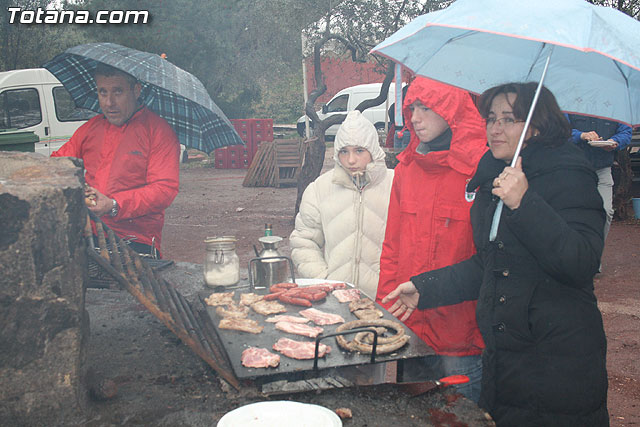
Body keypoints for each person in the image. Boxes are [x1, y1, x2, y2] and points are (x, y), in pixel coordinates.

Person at [383, 82, 608, 425]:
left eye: (508, 119)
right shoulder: (492, 174)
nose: (495, 128)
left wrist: (525, 203)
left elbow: (580, 262)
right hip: (505, 358)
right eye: (491, 118)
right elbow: (488, 264)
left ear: (535, 124)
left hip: (556, 358)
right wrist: (426, 288)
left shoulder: (570, 175)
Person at [376, 77, 487, 402]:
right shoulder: (407, 170)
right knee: (415, 415)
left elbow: (489, 260)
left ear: (451, 110)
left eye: (426, 107)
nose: (415, 118)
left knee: (460, 419)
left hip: (461, 335)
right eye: (412, 107)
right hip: (412, 328)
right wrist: (387, 312)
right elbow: (392, 247)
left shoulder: (481, 172)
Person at [52, 63, 180, 256]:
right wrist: (78, 187)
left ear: (136, 90)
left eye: (117, 92)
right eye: (103, 92)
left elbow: (164, 189)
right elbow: (57, 165)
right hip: (89, 233)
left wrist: (114, 205)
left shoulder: (158, 131)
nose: (109, 102)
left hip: (137, 240)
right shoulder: (91, 128)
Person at [289, 110, 394, 300]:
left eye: (359, 150)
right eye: (344, 151)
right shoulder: (320, 189)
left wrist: (394, 285)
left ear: (373, 150)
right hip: (336, 298)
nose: (351, 160)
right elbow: (304, 241)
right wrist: (323, 280)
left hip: (386, 299)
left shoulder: (397, 185)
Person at [566, 113, 632, 243]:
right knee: (575, 214)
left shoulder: (614, 106)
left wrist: (615, 141)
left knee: (606, 211)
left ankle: (595, 253)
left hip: (603, 169)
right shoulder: (572, 103)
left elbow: (626, 132)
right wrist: (581, 135)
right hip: (573, 170)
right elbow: (559, 131)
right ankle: (576, 253)